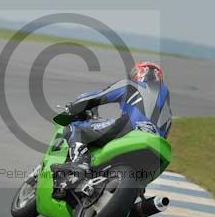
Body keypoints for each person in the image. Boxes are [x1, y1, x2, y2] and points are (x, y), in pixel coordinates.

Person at [52, 61, 172, 198]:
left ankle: (81, 163)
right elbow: (165, 133)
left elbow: (97, 97)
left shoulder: (131, 85)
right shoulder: (168, 110)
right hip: (157, 149)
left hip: (129, 129)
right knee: (140, 184)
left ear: (140, 73)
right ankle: (137, 192)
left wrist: (73, 107)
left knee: (76, 128)